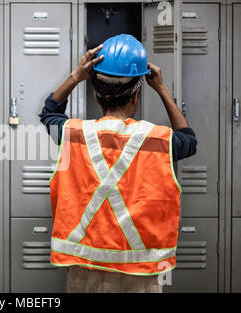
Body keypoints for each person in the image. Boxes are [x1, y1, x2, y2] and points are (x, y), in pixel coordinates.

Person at [40, 34, 197, 293]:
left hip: (84, 270)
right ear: (136, 95)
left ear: (97, 96)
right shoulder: (158, 140)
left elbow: (50, 112)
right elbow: (189, 140)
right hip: (140, 276)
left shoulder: (74, 134)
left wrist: (76, 75)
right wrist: (161, 88)